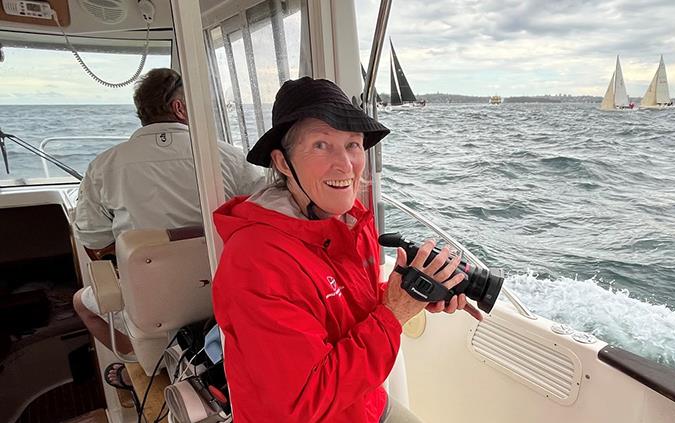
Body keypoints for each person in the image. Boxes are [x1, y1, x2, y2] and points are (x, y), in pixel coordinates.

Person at [212, 77, 473, 423]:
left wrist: (411, 294)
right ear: (282, 162)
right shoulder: (255, 260)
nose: (346, 165)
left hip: (364, 405)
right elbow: (302, 404)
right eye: (321, 145)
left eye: (352, 144)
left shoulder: (347, 222)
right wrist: (394, 314)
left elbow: (345, 308)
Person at [71, 68, 263, 381]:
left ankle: (145, 369)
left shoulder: (104, 165)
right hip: (223, 293)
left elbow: (93, 240)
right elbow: (260, 216)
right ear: (179, 108)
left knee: (81, 301)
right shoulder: (229, 156)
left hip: (152, 305)